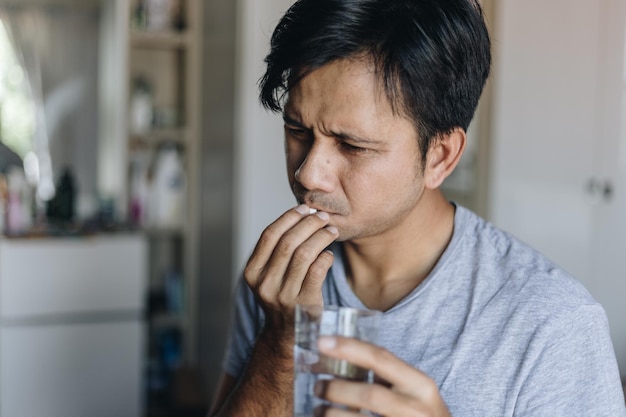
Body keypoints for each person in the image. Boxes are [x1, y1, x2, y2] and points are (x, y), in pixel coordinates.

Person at [210, 0, 626, 415]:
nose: (307, 174)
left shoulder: (554, 324)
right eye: (297, 130)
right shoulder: (280, 279)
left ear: (441, 156)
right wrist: (280, 343)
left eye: (352, 146)